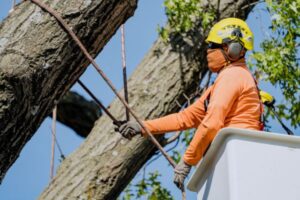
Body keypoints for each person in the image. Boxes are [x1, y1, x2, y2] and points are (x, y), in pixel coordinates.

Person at [115, 18, 263, 190]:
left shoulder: (234, 75)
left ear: (231, 48)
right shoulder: (223, 81)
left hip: (239, 151)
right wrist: (141, 127)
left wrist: (187, 161)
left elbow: (212, 123)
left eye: (213, 46)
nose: (208, 51)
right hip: (231, 154)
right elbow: (185, 118)